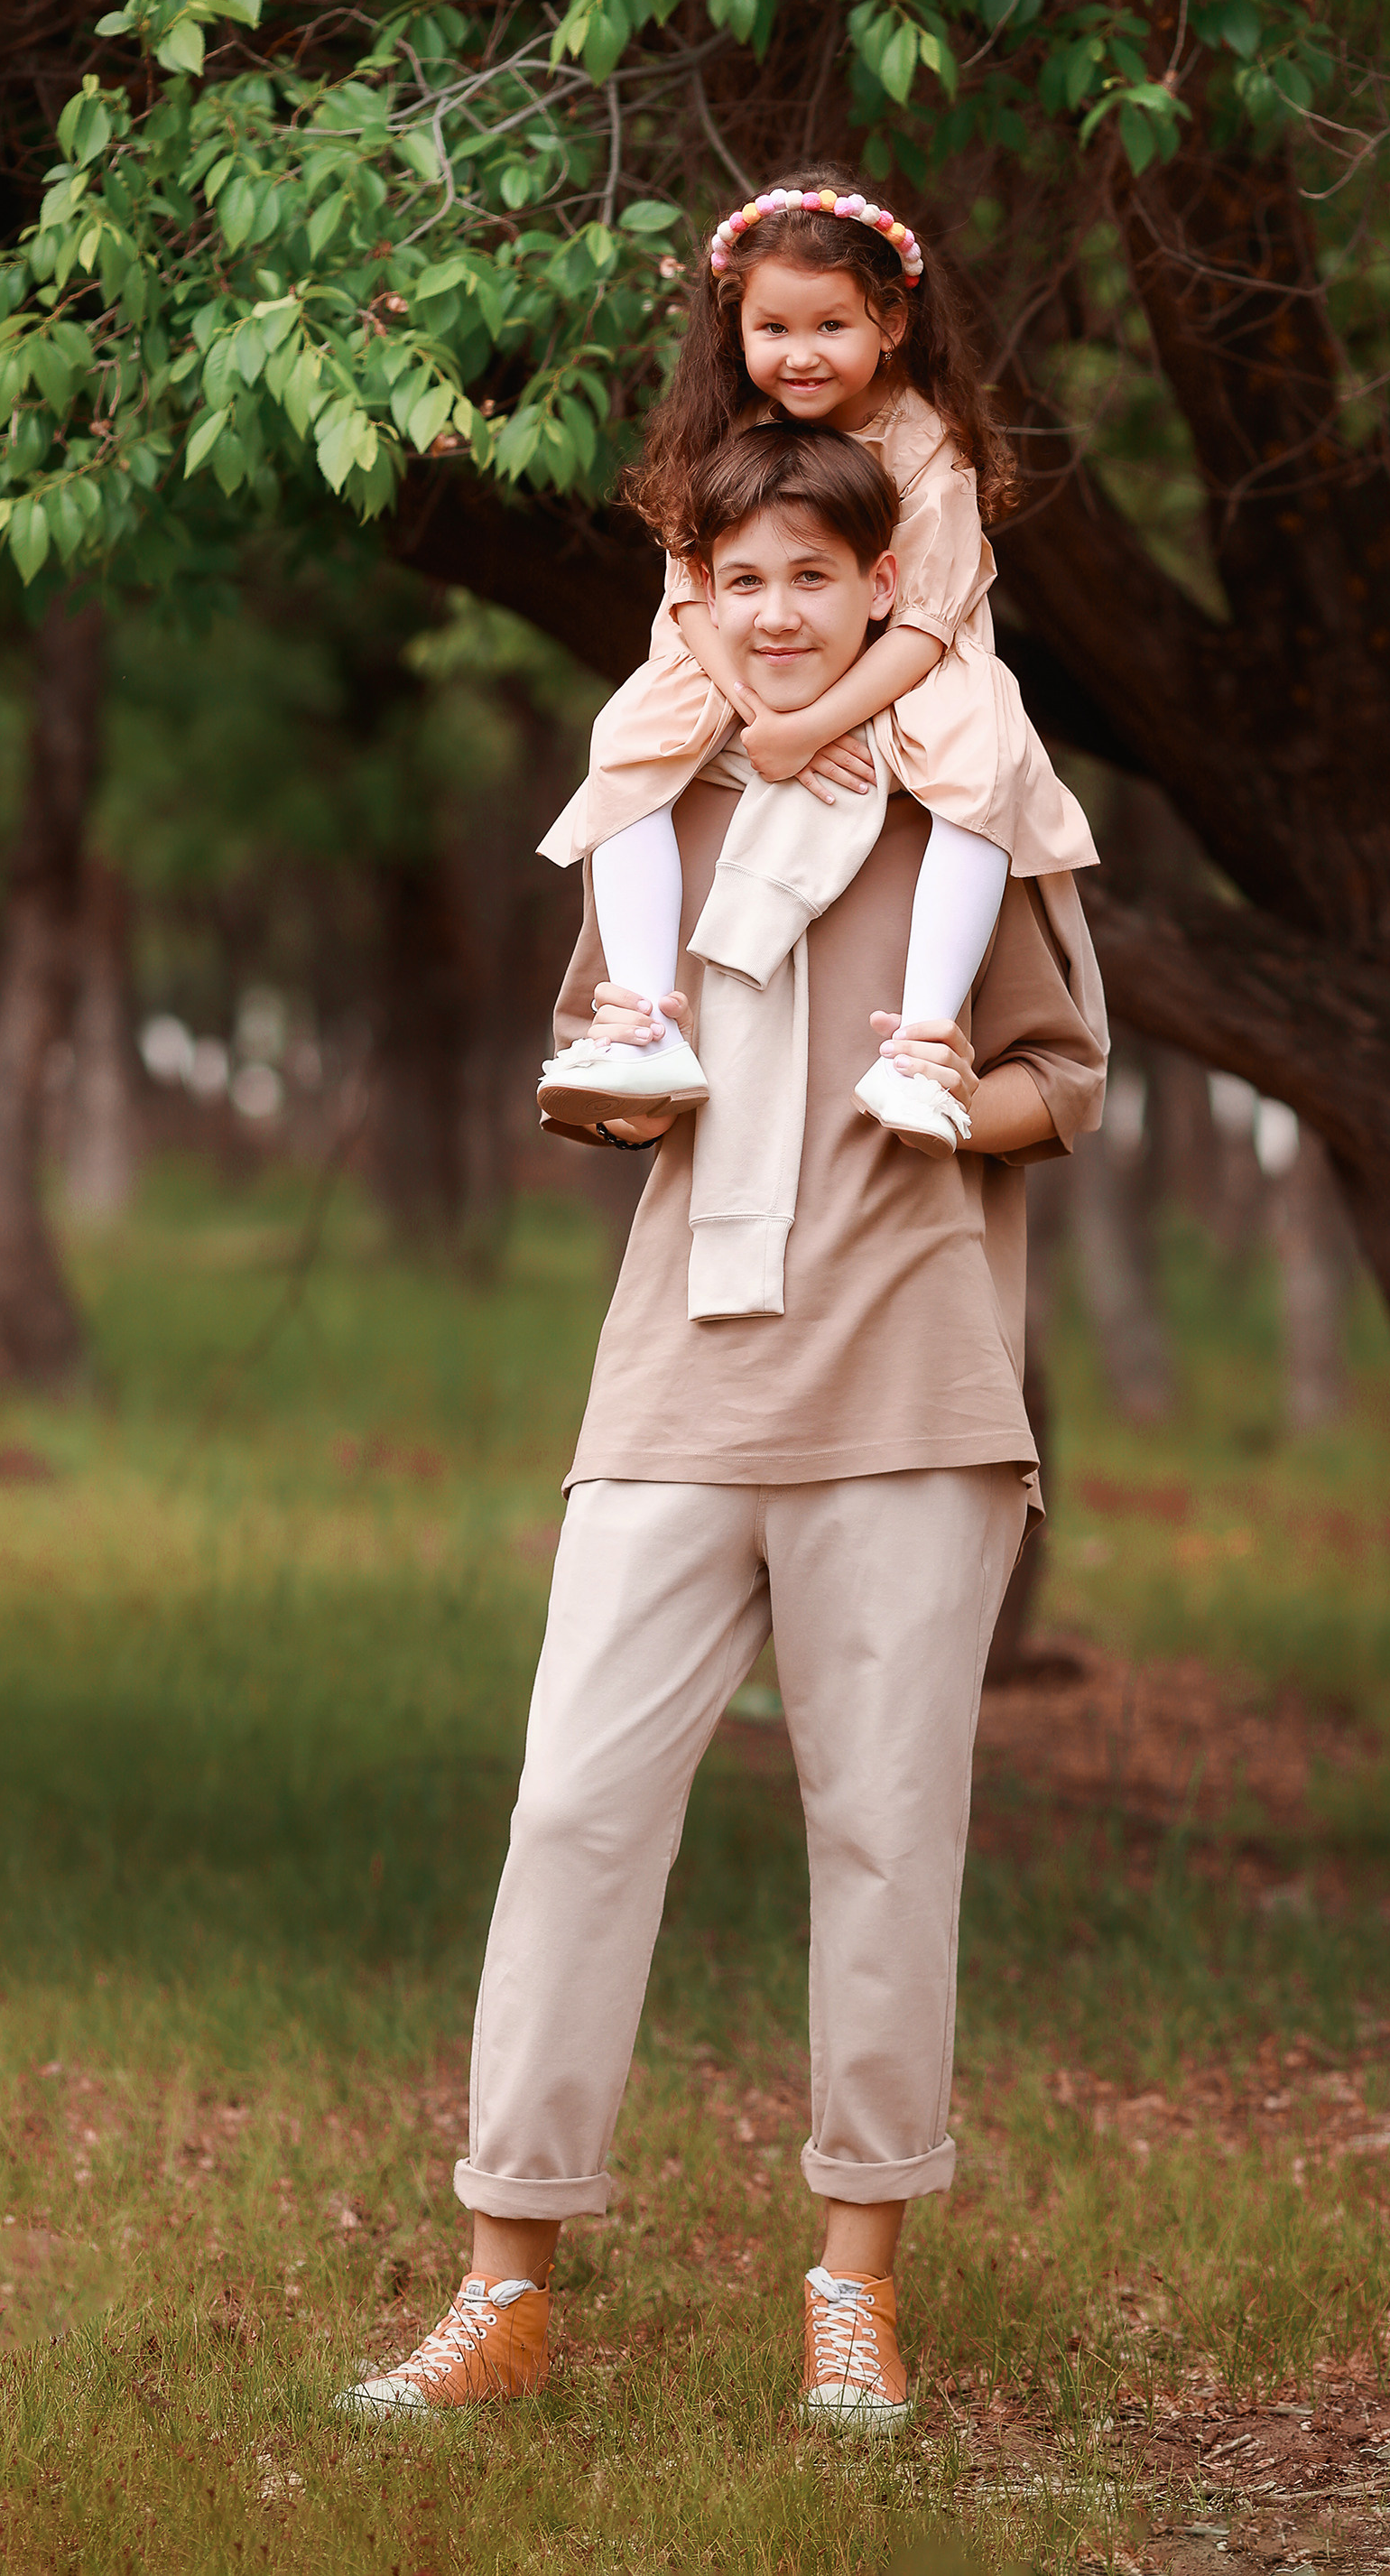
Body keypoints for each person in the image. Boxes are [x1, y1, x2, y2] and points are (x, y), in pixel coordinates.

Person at [336, 423, 1107, 2432]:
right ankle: (506, 2273)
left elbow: (1066, 1075)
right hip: (678, 1376)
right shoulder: (650, 811)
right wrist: (609, 1075)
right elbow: (614, 1075)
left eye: (810, 579)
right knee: (575, 1809)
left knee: (880, 1834)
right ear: (698, 600)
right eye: (736, 580)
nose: (774, 614)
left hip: (909, 1388)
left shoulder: (965, 798)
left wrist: (946, 1100)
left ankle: (854, 2282)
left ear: (878, 594)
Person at [535, 157, 1096, 1156]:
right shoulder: (729, 434)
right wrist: (761, 714)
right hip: (743, 671)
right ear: (735, 331)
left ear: (890, 322)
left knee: (979, 768)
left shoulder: (929, 448)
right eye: (773, 329)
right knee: (627, 739)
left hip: (907, 667)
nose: (801, 354)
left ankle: (923, 1046)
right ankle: (647, 1025)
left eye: (829, 326)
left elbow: (922, 624)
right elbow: (689, 597)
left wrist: (811, 728)